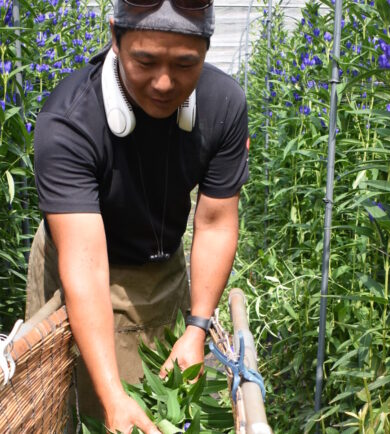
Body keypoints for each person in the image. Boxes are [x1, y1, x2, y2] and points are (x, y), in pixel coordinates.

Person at [26, 0, 249, 432]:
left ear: (206, 49)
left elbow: (216, 222)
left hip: (161, 261)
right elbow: (86, 269)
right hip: (82, 264)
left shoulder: (223, 105)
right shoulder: (70, 121)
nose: (164, 83)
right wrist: (111, 396)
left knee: (175, 394)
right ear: (115, 38)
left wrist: (197, 327)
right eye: (144, 61)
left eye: (185, 64)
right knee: (81, 406)